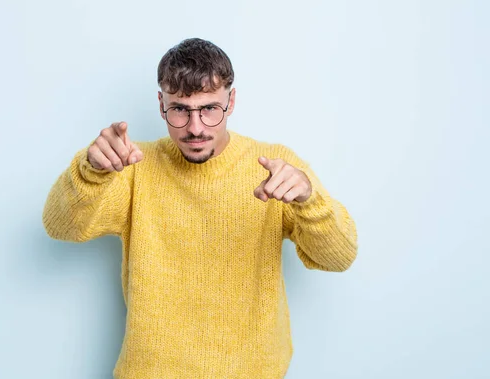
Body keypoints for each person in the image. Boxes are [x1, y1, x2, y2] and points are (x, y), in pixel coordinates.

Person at [42, 37, 358, 379]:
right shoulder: (134, 168)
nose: (195, 128)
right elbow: (61, 227)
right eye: (180, 109)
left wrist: (309, 202)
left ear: (231, 101)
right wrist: (91, 171)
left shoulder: (275, 166)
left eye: (209, 109)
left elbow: (339, 257)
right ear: (161, 104)